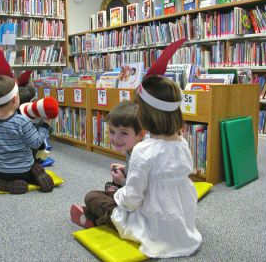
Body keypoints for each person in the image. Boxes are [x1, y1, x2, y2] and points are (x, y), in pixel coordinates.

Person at [72, 75, 202, 258]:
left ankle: (93, 217)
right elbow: (164, 175)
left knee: (93, 197)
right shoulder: (182, 144)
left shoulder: (143, 150)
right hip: (181, 224)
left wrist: (118, 193)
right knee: (112, 194)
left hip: (153, 228)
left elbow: (132, 200)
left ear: (144, 115)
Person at [70, 100, 146, 228]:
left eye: (124, 133)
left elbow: (141, 195)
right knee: (100, 197)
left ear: (140, 134)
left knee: (91, 197)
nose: (115, 139)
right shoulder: (134, 147)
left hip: (143, 212)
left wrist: (123, 181)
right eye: (112, 132)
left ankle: (100, 219)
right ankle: (97, 215)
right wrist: (125, 169)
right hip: (135, 202)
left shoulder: (143, 156)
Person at [0, 75, 54, 194]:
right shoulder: (21, 121)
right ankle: (33, 176)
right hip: (22, 170)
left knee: (6, 171)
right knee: (35, 166)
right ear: (14, 99)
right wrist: (45, 126)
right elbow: (36, 143)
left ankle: (5, 182)